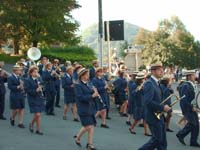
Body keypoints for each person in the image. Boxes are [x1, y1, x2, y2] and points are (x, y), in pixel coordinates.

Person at [138, 64, 171, 150]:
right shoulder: (149, 83)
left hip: (159, 116)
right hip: (153, 116)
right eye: (159, 70)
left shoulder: (157, 83)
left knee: (163, 142)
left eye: (162, 69)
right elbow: (147, 102)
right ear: (152, 71)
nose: (161, 71)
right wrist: (162, 108)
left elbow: (158, 100)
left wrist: (164, 106)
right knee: (157, 140)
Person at [74, 68, 98, 150]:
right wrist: (92, 95)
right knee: (88, 126)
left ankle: (90, 144)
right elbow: (81, 98)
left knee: (91, 126)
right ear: (82, 76)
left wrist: (94, 92)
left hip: (90, 107)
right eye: (87, 74)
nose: (88, 76)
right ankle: (77, 137)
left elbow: (90, 95)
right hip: (83, 108)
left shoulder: (88, 84)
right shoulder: (78, 85)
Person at [176, 70, 200, 147]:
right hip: (187, 108)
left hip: (192, 107)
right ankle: (180, 134)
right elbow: (183, 99)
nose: (195, 77)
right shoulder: (185, 86)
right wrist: (192, 107)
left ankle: (193, 141)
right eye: (193, 75)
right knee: (192, 124)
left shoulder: (191, 85)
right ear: (189, 76)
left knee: (196, 125)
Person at [129, 72, 151, 136]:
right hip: (138, 103)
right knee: (137, 118)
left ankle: (146, 131)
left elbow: (145, 93)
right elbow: (132, 94)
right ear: (139, 79)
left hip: (143, 102)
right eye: (143, 79)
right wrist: (137, 89)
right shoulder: (134, 85)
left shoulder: (143, 84)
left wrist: (144, 89)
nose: (144, 80)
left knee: (145, 118)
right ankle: (131, 128)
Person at [24, 66, 45, 135]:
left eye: (37, 72)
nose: (36, 73)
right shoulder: (27, 80)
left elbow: (42, 83)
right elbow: (27, 90)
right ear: (30, 73)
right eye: (34, 72)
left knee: (38, 115)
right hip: (32, 98)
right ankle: (33, 125)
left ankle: (37, 129)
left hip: (39, 98)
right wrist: (36, 90)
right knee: (37, 114)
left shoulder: (38, 78)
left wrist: (41, 86)